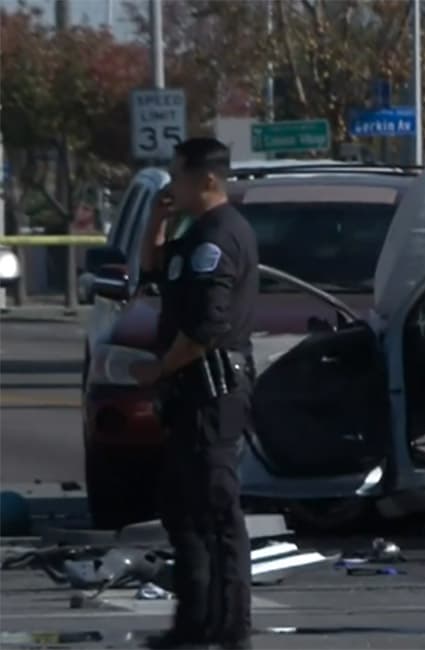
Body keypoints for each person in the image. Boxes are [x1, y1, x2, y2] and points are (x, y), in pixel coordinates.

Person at [131, 138, 258, 649]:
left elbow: (206, 328)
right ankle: (194, 624)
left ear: (207, 180)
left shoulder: (221, 237)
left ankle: (231, 631)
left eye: (178, 176)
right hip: (187, 400)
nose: (171, 184)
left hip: (212, 396)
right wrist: (156, 223)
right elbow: (156, 275)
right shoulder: (194, 234)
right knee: (182, 511)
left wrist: (160, 368)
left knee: (217, 512)